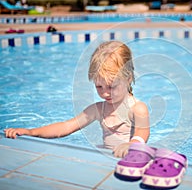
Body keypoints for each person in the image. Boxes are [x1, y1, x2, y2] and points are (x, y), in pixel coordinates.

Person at [4, 40, 150, 158]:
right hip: (108, 159)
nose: (106, 93)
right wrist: (31, 132)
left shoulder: (137, 108)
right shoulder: (99, 109)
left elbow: (143, 132)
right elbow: (66, 127)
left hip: (131, 160)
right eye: (99, 87)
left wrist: (132, 144)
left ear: (128, 79)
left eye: (112, 87)